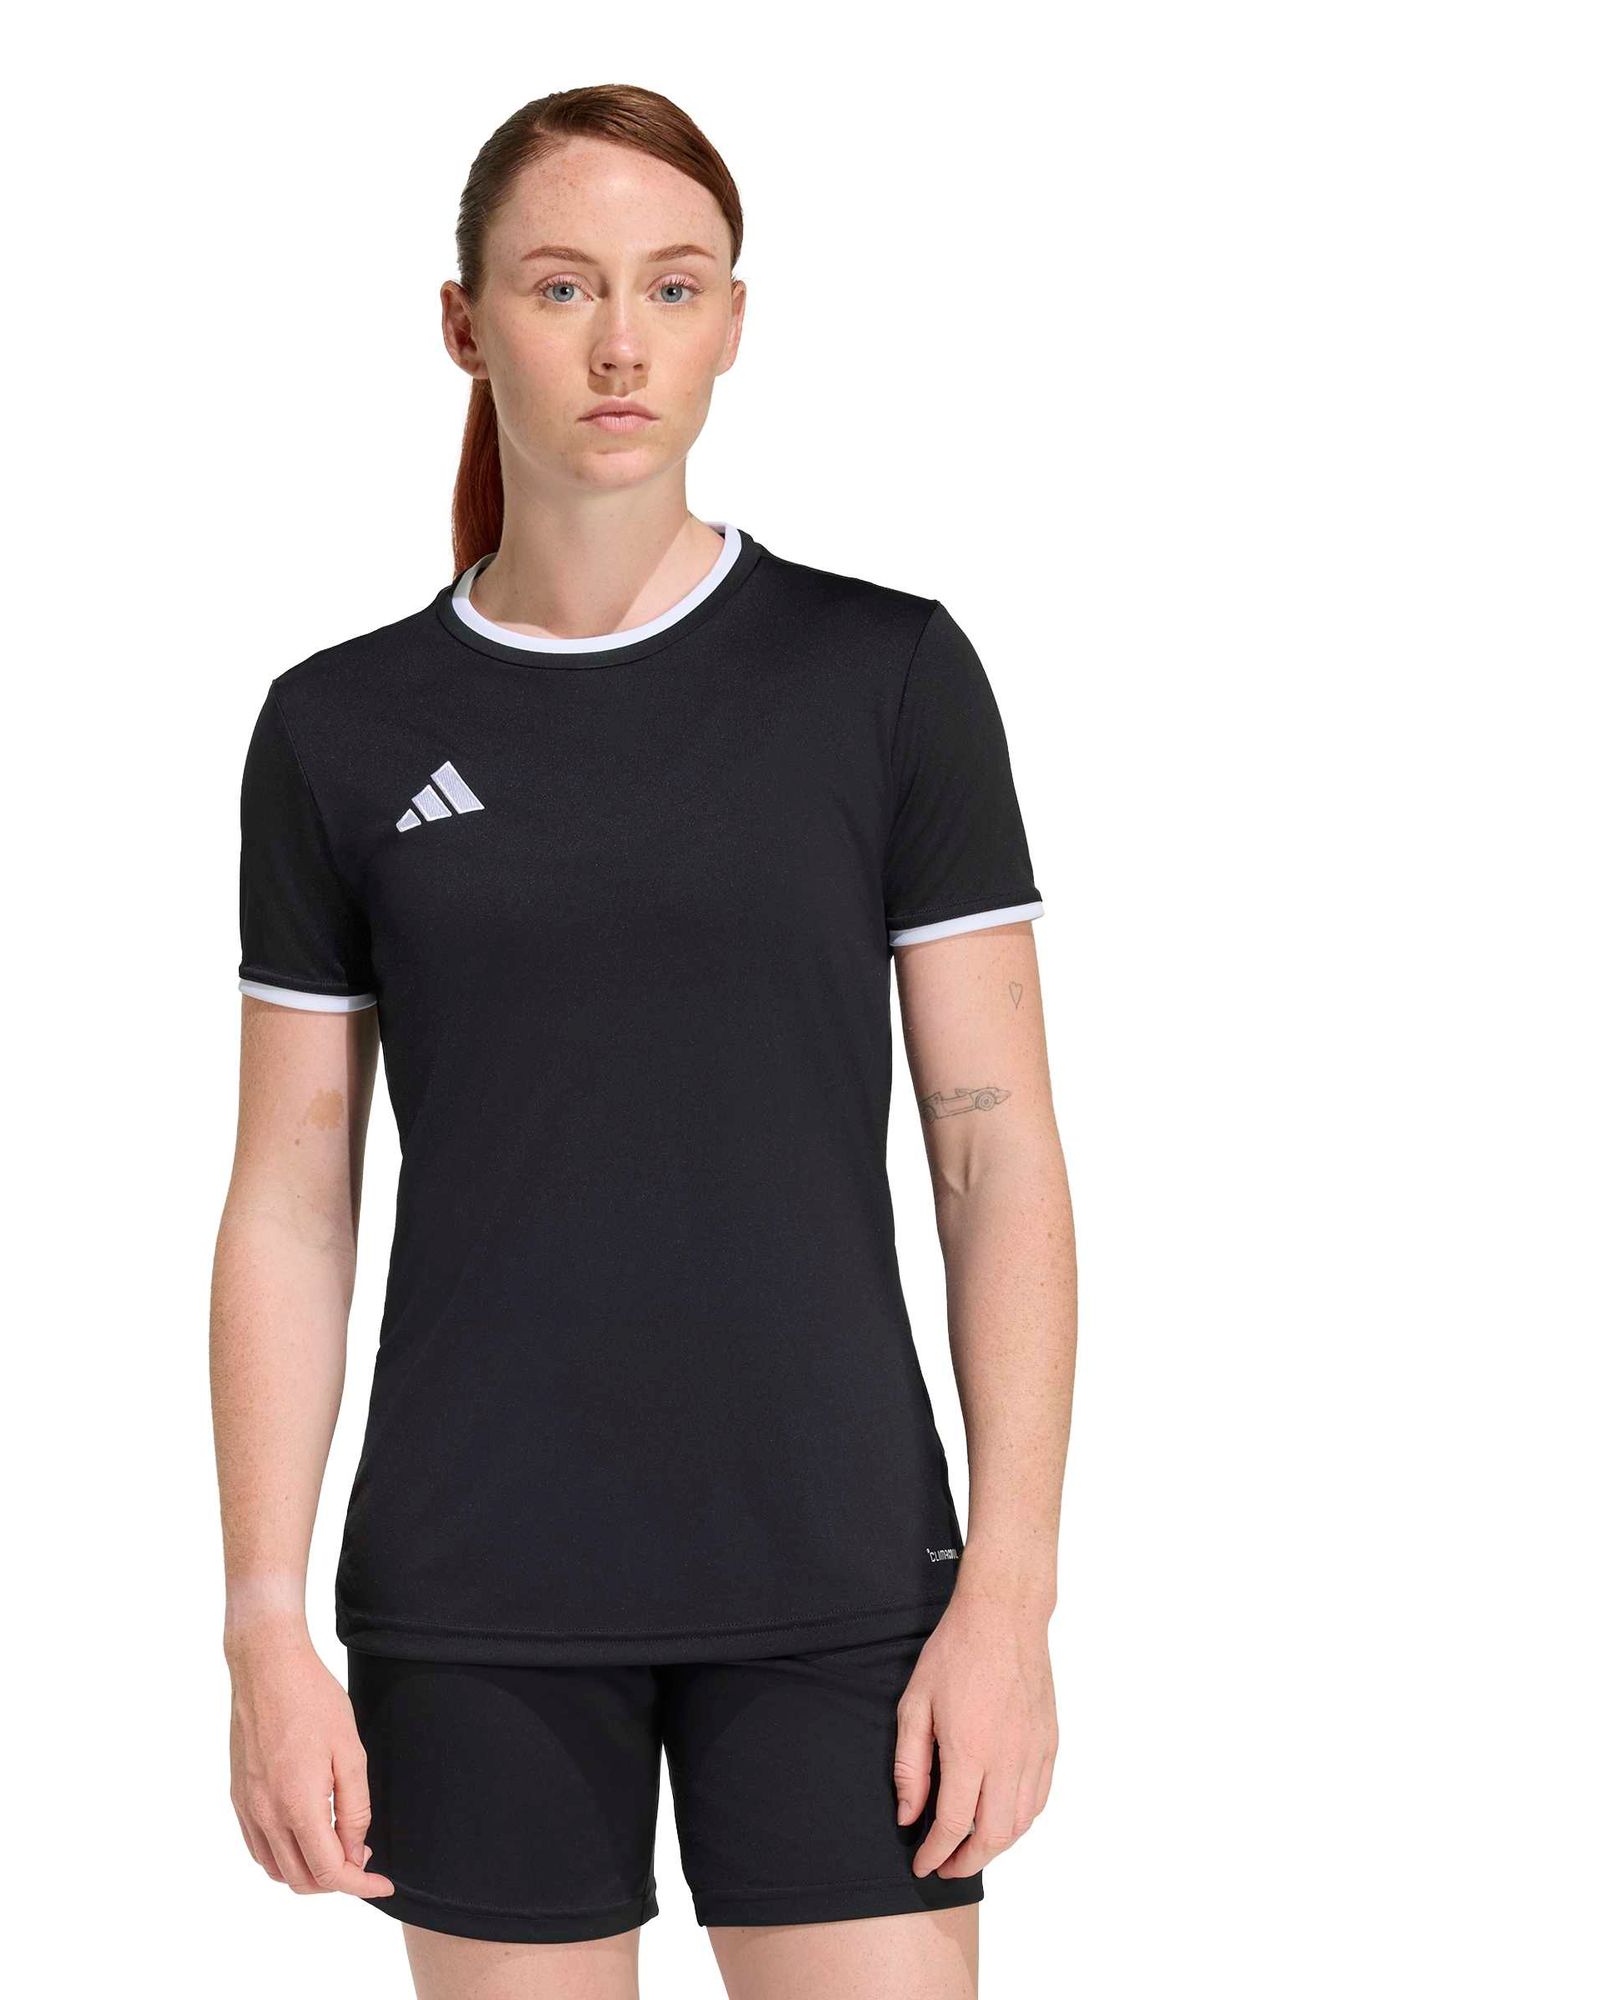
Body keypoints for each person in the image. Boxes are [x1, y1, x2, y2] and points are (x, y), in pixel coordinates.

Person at [210, 83, 1077, 2000]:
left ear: (733, 322)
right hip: (480, 1593)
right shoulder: (339, 730)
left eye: (673, 288)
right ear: (464, 324)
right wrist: (263, 1621)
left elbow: (994, 1149)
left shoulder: (883, 678)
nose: (621, 343)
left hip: (839, 1574)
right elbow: (290, 1198)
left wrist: (1009, 1591)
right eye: (562, 287)